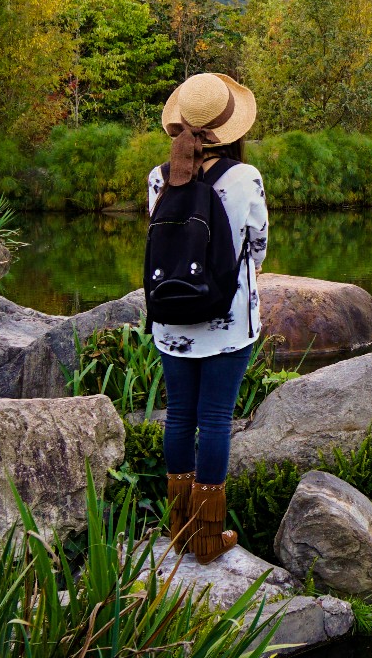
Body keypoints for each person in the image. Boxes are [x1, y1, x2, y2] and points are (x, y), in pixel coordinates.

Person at [147, 72, 267, 562]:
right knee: (215, 420)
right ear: (231, 128)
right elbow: (256, 246)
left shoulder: (159, 176)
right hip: (227, 321)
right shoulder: (244, 178)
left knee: (179, 416)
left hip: (171, 317)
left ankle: (177, 526)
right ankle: (207, 537)